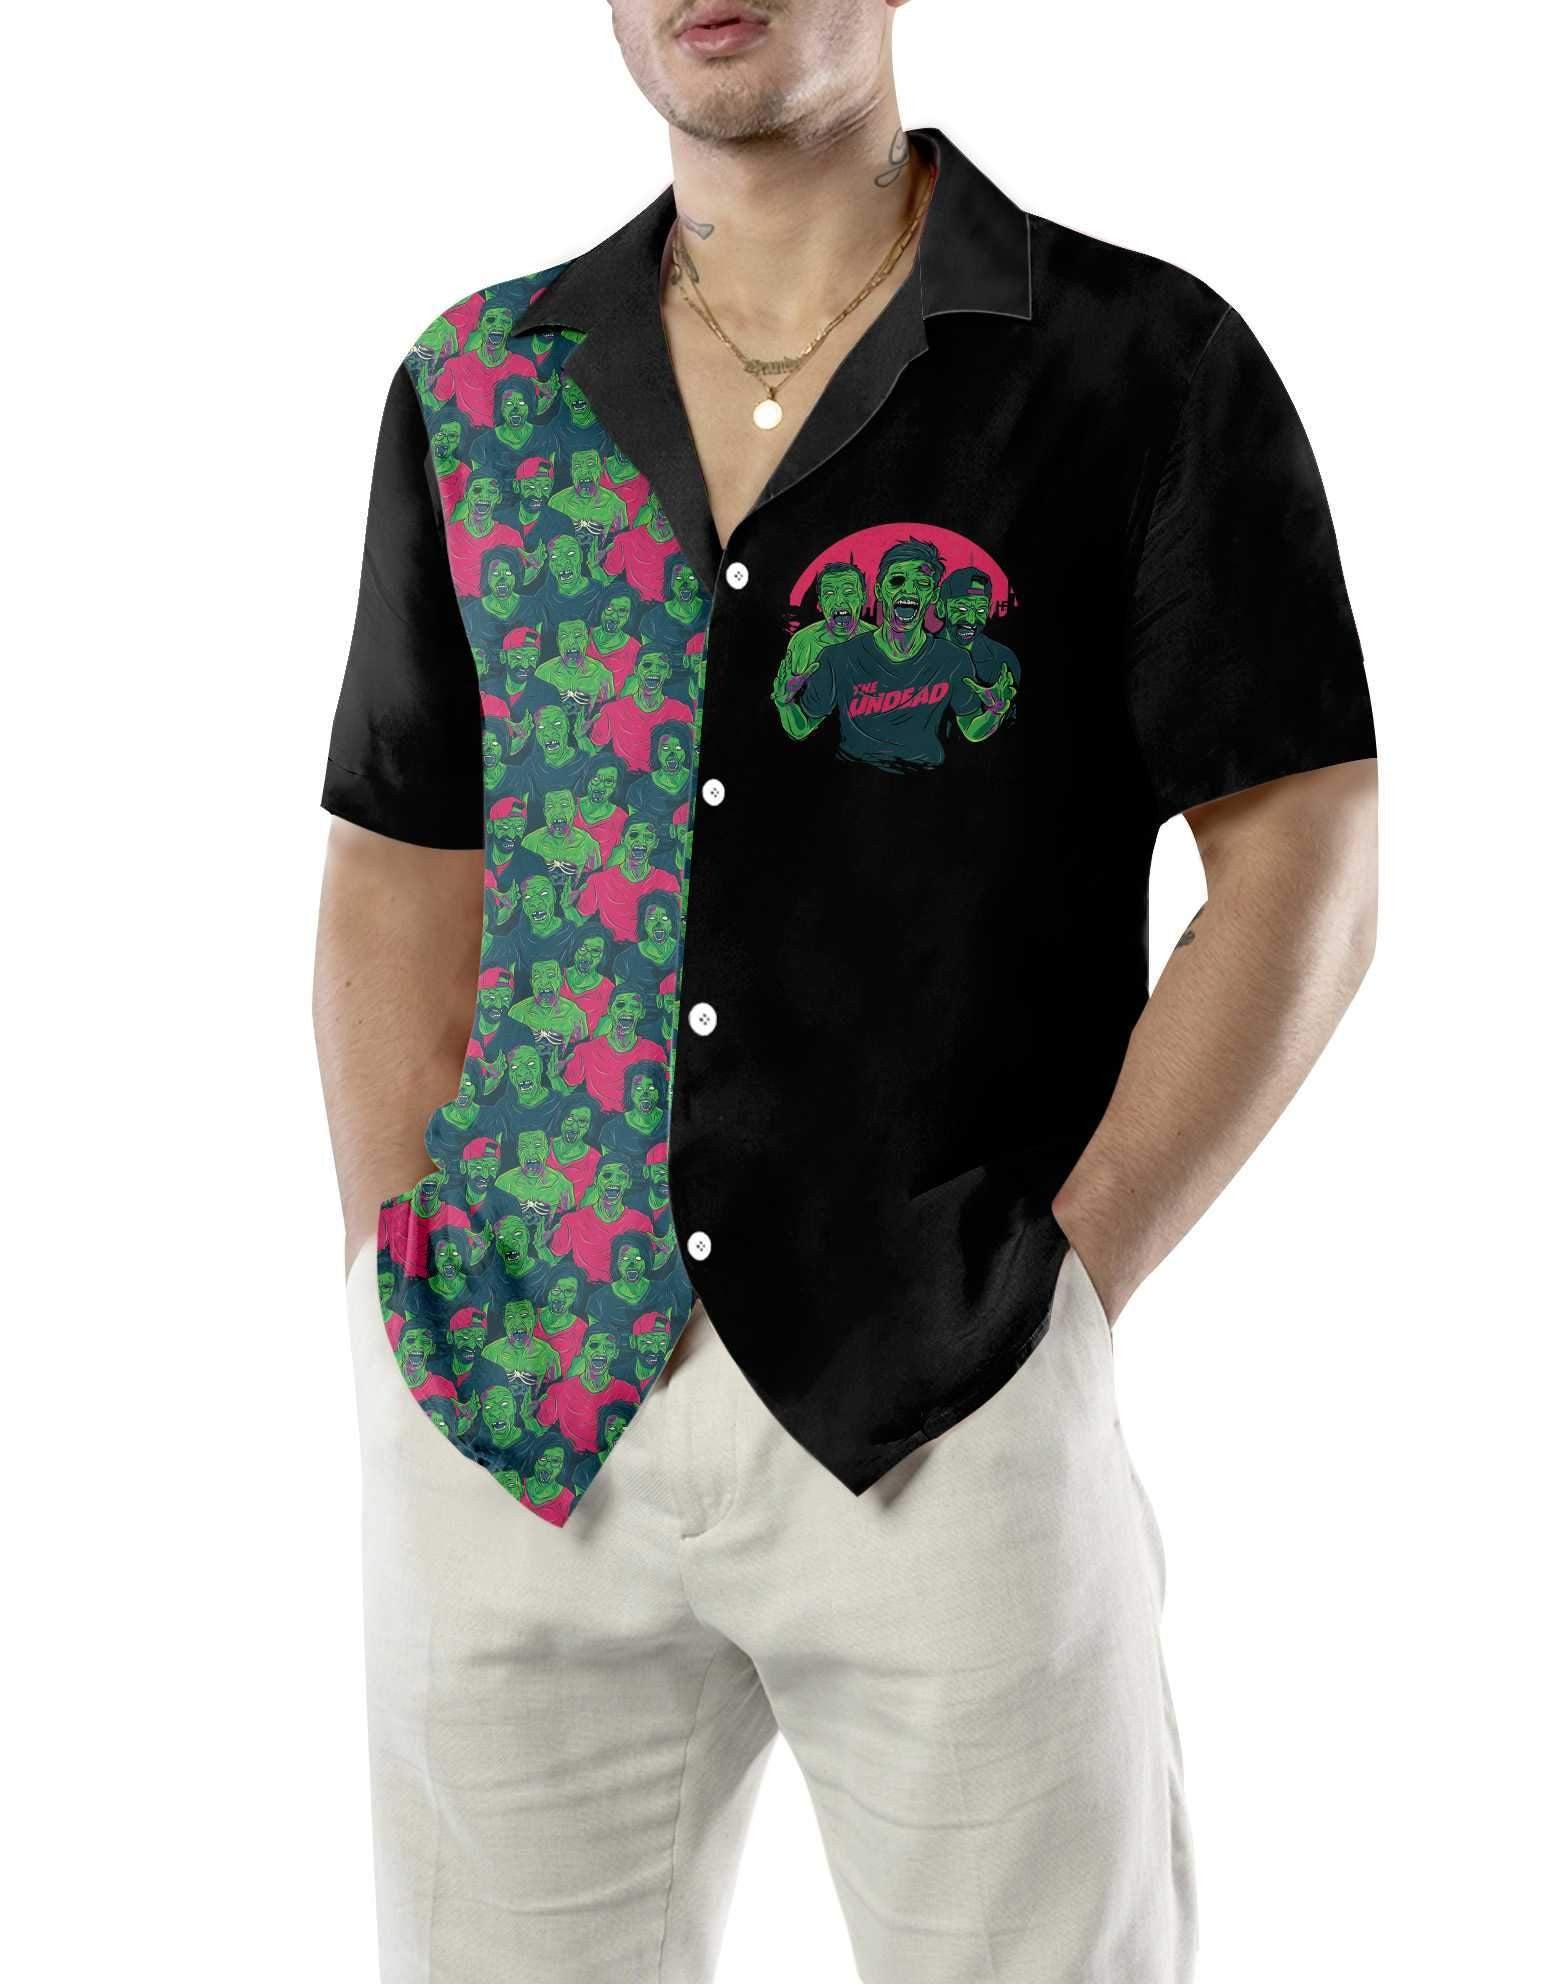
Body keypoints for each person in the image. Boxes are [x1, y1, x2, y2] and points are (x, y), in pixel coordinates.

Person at [313, 3, 1378, 1978]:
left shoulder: (1135, 365)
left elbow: (1303, 843)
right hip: (515, 1405)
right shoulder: (480, 385)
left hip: (943, 1394)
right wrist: (401, 1261)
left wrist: (1075, 1279)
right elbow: (399, 862)